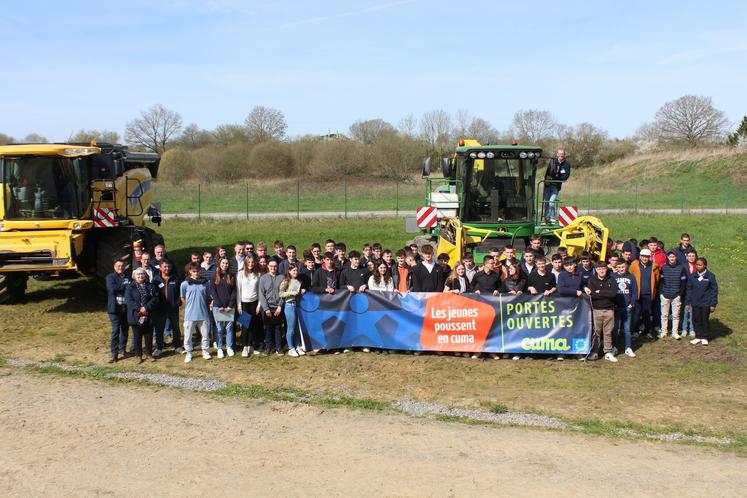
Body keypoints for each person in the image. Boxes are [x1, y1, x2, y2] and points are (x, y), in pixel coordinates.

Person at [585, 262, 618, 362]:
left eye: (603, 268)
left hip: (609, 310)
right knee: (596, 332)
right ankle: (595, 352)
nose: (602, 271)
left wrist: (600, 292)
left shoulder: (612, 279)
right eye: (599, 269)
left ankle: (608, 352)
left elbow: (613, 294)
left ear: (606, 269)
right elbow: (592, 295)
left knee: (608, 332)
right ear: (596, 270)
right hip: (596, 310)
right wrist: (603, 292)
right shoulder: (592, 280)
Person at [125, 267, 158, 364]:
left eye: (142, 274)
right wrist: (139, 308)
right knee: (137, 336)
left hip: (149, 314)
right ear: (134, 276)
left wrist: (146, 307)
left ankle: (149, 354)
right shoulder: (130, 287)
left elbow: (155, 298)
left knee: (148, 335)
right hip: (135, 315)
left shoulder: (151, 286)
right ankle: (138, 356)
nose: (140, 276)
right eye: (138, 274)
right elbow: (129, 300)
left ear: (145, 275)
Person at [180, 262, 211, 363]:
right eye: (194, 271)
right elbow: (183, 297)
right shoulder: (185, 284)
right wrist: (189, 306)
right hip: (190, 315)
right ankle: (189, 353)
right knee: (188, 336)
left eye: (197, 271)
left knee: (205, 335)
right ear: (190, 272)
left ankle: (205, 351)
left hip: (203, 314)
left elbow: (208, 297)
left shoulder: (206, 283)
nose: (196, 273)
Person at [152, 260, 182, 356]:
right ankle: (159, 347)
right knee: (159, 329)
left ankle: (177, 346)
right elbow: (153, 294)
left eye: (169, 266)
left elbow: (180, 292)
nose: (167, 268)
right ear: (160, 268)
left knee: (176, 328)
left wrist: (178, 303)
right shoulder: (156, 280)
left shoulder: (176, 278)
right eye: (165, 267)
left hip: (173, 308)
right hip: (160, 309)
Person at [629, 248, 660, 340]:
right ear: (640, 257)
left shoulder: (654, 266)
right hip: (637, 294)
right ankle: (634, 331)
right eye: (643, 256)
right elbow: (630, 276)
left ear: (649, 257)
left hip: (648, 294)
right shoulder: (634, 265)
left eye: (646, 257)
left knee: (647, 313)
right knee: (636, 314)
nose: (645, 258)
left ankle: (648, 331)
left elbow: (657, 279)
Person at [686, 258, 718, 346]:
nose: (698, 266)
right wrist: (687, 303)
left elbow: (714, 291)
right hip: (695, 302)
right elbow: (689, 289)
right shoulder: (692, 276)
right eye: (697, 264)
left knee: (704, 320)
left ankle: (704, 337)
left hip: (706, 303)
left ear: (705, 266)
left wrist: (713, 304)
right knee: (696, 319)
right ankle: (698, 336)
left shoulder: (710, 276)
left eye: (700, 265)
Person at [209, 258, 237, 358]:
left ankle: (229, 347)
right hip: (218, 307)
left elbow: (234, 292)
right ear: (219, 264)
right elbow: (213, 291)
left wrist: (230, 305)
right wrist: (219, 305)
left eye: (226, 263)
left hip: (229, 307)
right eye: (223, 263)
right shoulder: (214, 276)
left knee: (229, 328)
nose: (225, 265)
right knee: (219, 329)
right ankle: (220, 348)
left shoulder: (232, 276)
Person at [236, 256, 261, 357]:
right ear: (245, 263)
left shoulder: (258, 274)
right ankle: (244, 347)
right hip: (244, 303)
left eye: (252, 262)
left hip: (254, 303)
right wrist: (239, 305)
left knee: (252, 325)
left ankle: (250, 345)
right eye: (248, 262)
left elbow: (259, 291)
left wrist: (259, 305)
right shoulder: (240, 274)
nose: (250, 264)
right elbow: (238, 290)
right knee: (245, 325)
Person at [258, 259, 285, 355]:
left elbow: (284, 293)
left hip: (278, 307)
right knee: (268, 328)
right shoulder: (263, 278)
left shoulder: (282, 277)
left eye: (275, 266)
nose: (273, 268)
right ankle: (269, 346)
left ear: (277, 267)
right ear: (268, 266)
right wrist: (265, 308)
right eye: (271, 266)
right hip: (268, 308)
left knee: (278, 328)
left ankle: (279, 347)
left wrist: (280, 306)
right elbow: (261, 294)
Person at [106, 260, 130, 363]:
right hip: (115, 309)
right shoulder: (110, 277)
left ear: (125, 267)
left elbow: (131, 288)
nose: (120, 267)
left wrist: (122, 286)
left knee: (125, 330)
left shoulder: (128, 277)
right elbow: (112, 289)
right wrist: (124, 285)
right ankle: (114, 354)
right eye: (118, 266)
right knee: (116, 330)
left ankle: (122, 349)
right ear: (114, 267)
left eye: (122, 266)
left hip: (126, 308)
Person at [659, 250, 687, 339]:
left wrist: (680, 293)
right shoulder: (663, 268)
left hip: (676, 295)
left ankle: (675, 332)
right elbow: (661, 281)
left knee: (676, 315)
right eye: (670, 257)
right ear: (668, 257)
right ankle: (664, 331)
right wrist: (661, 293)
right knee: (664, 315)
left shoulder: (681, 268)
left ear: (676, 257)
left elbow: (683, 282)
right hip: (665, 294)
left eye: (673, 257)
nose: (672, 258)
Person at [279, 266, 305, 357]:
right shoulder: (286, 281)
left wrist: (302, 290)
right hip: (289, 305)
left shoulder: (299, 281)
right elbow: (281, 293)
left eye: (297, 270)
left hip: (298, 305)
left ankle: (297, 345)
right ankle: (291, 348)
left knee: (297, 328)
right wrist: (291, 293)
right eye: (293, 270)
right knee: (291, 328)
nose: (295, 272)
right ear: (289, 271)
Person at [613, 261, 637, 358]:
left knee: (627, 329)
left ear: (626, 267)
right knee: (616, 329)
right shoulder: (613, 277)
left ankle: (628, 347)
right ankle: (614, 347)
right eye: (619, 267)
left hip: (627, 307)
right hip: (616, 307)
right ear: (616, 268)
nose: (621, 268)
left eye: (623, 267)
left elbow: (635, 291)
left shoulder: (631, 277)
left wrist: (632, 303)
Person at [542, 148, 571, 223]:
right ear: (557, 154)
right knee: (547, 203)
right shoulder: (552, 162)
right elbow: (547, 173)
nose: (561, 155)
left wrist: (555, 178)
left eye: (562, 154)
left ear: (564, 155)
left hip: (556, 186)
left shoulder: (567, 164)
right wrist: (546, 180)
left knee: (551, 202)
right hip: (547, 186)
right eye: (560, 153)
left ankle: (552, 218)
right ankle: (547, 219)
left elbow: (565, 177)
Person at [680, 249, 698, 338]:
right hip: (685, 292)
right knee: (684, 311)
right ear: (686, 257)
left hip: (694, 292)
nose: (691, 258)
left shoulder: (697, 266)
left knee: (693, 312)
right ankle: (684, 329)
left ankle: (692, 329)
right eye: (690, 256)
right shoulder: (683, 266)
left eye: (693, 256)